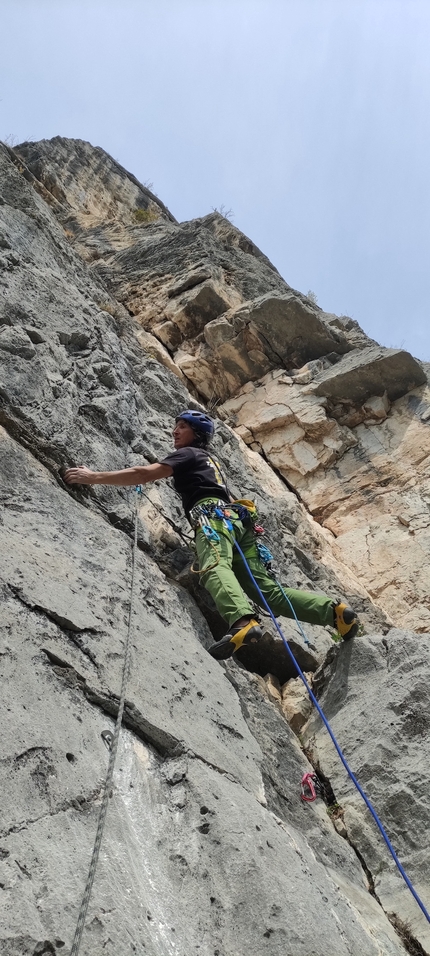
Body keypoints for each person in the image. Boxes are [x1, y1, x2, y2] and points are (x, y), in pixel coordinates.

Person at [64, 409, 359, 660]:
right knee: (266, 593)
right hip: (237, 521)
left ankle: (242, 621)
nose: (175, 431)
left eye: (183, 427)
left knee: (214, 566)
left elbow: (144, 474)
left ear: (196, 434)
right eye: (176, 426)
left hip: (211, 518)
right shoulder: (210, 461)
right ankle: (333, 613)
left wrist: (94, 477)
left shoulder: (189, 454)